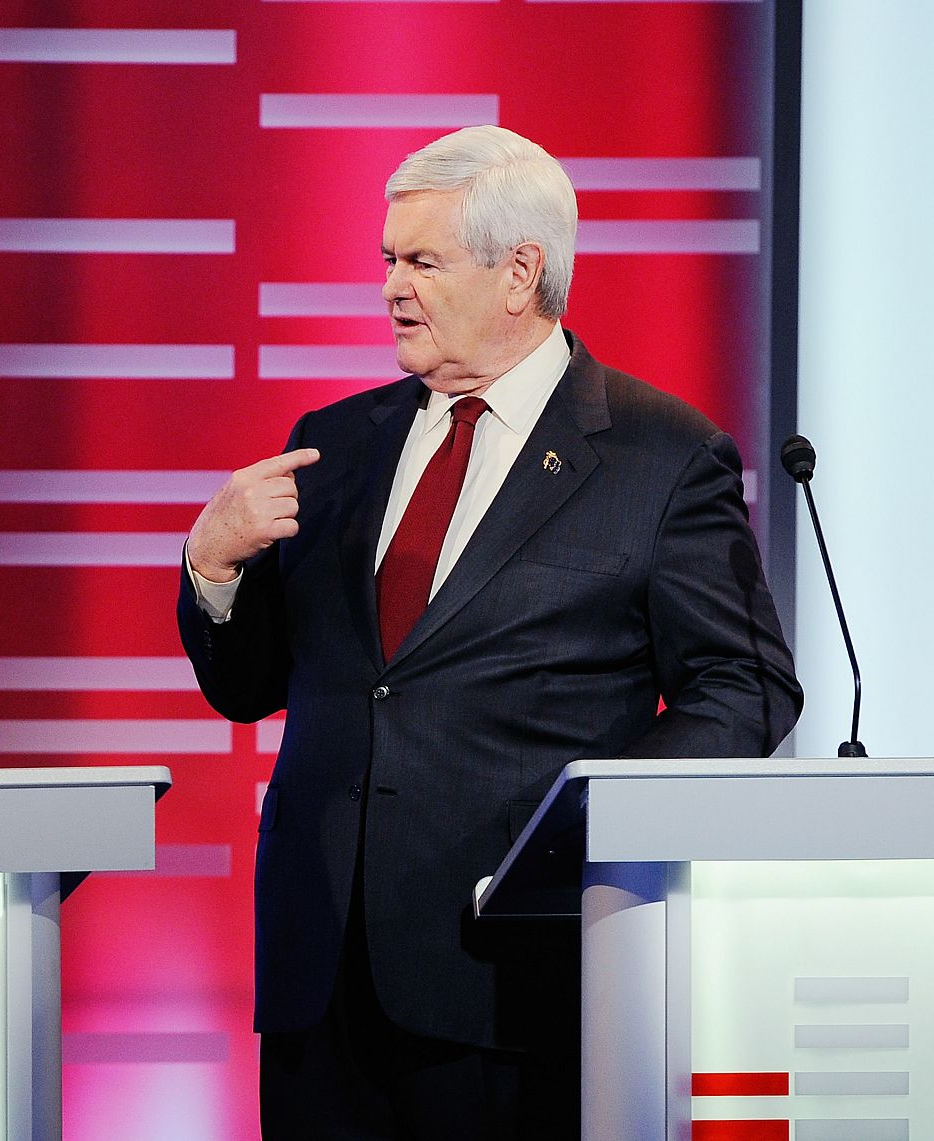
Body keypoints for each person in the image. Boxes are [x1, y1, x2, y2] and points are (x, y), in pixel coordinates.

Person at [177, 125, 801, 1138]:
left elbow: (746, 685)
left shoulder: (659, 456)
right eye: (387, 259)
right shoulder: (331, 444)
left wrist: (583, 839)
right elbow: (250, 687)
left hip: (509, 974)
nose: (390, 287)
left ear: (521, 273)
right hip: (318, 977)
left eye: (421, 261)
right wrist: (212, 566)